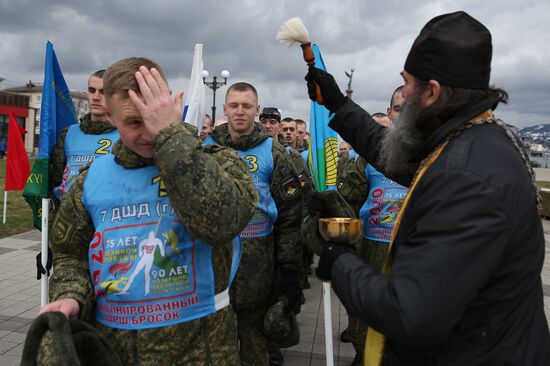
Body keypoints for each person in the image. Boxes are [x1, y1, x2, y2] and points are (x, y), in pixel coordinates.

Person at [305, 11, 550, 365]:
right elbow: (396, 155)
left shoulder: (465, 179)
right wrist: (337, 103)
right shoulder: (475, 137)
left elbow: (409, 314)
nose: (403, 93)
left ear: (431, 92)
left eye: (407, 83)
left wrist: (339, 261)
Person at [39, 57, 257, 365]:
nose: (148, 134)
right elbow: (69, 253)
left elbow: (222, 223)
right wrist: (70, 296)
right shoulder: (90, 180)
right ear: (112, 117)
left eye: (151, 118)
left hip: (202, 349)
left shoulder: (219, 162)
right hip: (115, 350)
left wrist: (171, 136)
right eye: (133, 122)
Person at [205, 83, 305, 366]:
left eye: (247, 106)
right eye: (234, 105)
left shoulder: (274, 153)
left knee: (254, 347)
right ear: (225, 109)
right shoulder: (205, 149)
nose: (240, 112)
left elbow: (289, 216)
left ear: (257, 111)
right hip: (213, 267)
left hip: (258, 269)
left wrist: (288, 272)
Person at [336, 94, 408, 365]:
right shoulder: (370, 158)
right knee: (364, 316)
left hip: (411, 255)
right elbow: (348, 203)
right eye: (399, 108)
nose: (404, 114)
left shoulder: (434, 155)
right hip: (371, 249)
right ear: (390, 112)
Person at [49, 69, 120, 209]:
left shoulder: (126, 135)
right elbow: (55, 181)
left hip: (106, 218)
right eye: (92, 90)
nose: (96, 97)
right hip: (70, 219)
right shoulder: (68, 134)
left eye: (103, 92)